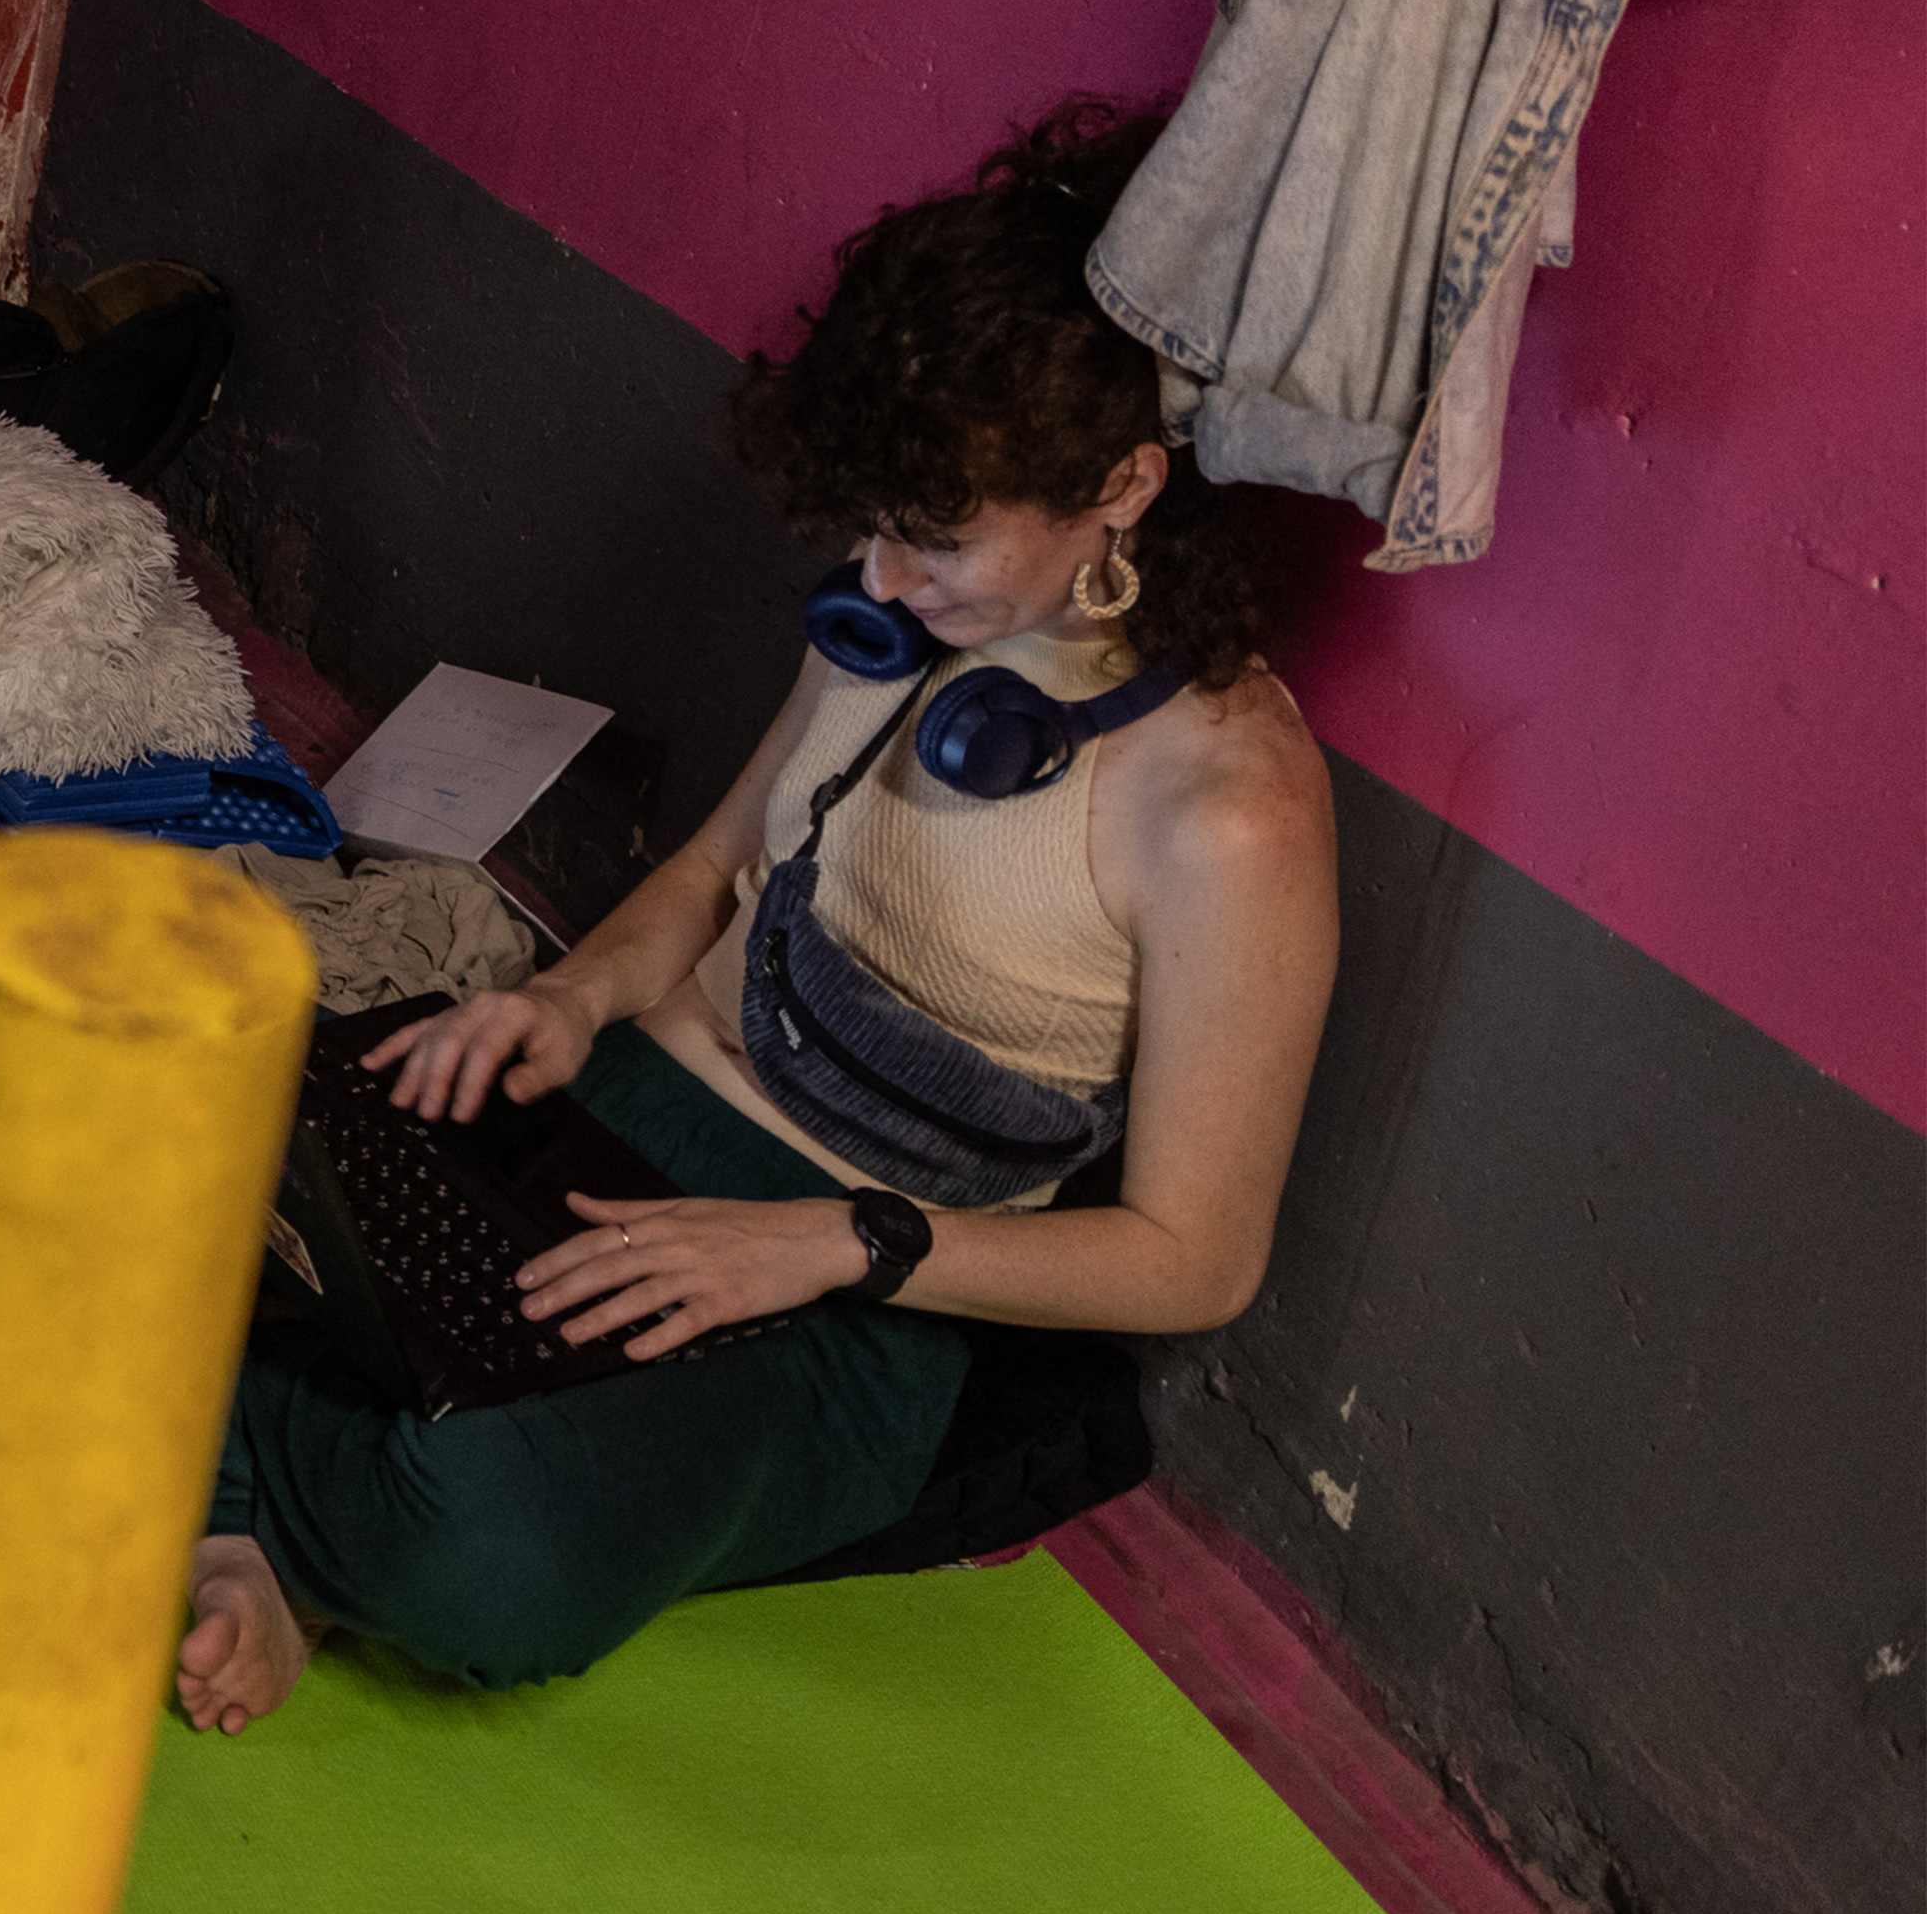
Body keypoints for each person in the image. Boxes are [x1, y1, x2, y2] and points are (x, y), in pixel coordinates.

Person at [173, 103, 1343, 1733]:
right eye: (870, 518)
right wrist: (567, 1007)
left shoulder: (1231, 812)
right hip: (610, 1107)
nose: (877, 568)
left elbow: (1195, 1262)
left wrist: (828, 1245)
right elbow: (717, 870)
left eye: (932, 536)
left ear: (1124, 487)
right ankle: (264, 1533)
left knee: (498, 1563)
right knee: (150, 1137)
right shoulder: (897, 607)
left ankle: (232, 1498)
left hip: (844, 1293)